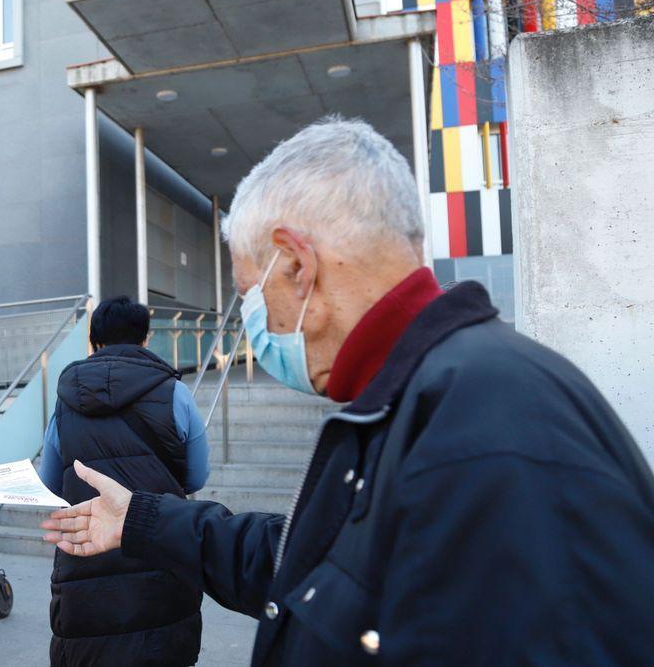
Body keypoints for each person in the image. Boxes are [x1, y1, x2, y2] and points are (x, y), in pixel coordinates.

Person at [43, 118, 654, 665]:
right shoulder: (425, 396)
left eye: (249, 295)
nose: (253, 320)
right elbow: (321, 566)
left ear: (297, 266)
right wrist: (145, 520)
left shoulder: (490, 427)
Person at [39, 295, 210, 667]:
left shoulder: (66, 401)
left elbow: (50, 482)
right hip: (160, 548)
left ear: (94, 341)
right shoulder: (175, 393)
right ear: (145, 339)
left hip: (85, 556)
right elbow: (196, 475)